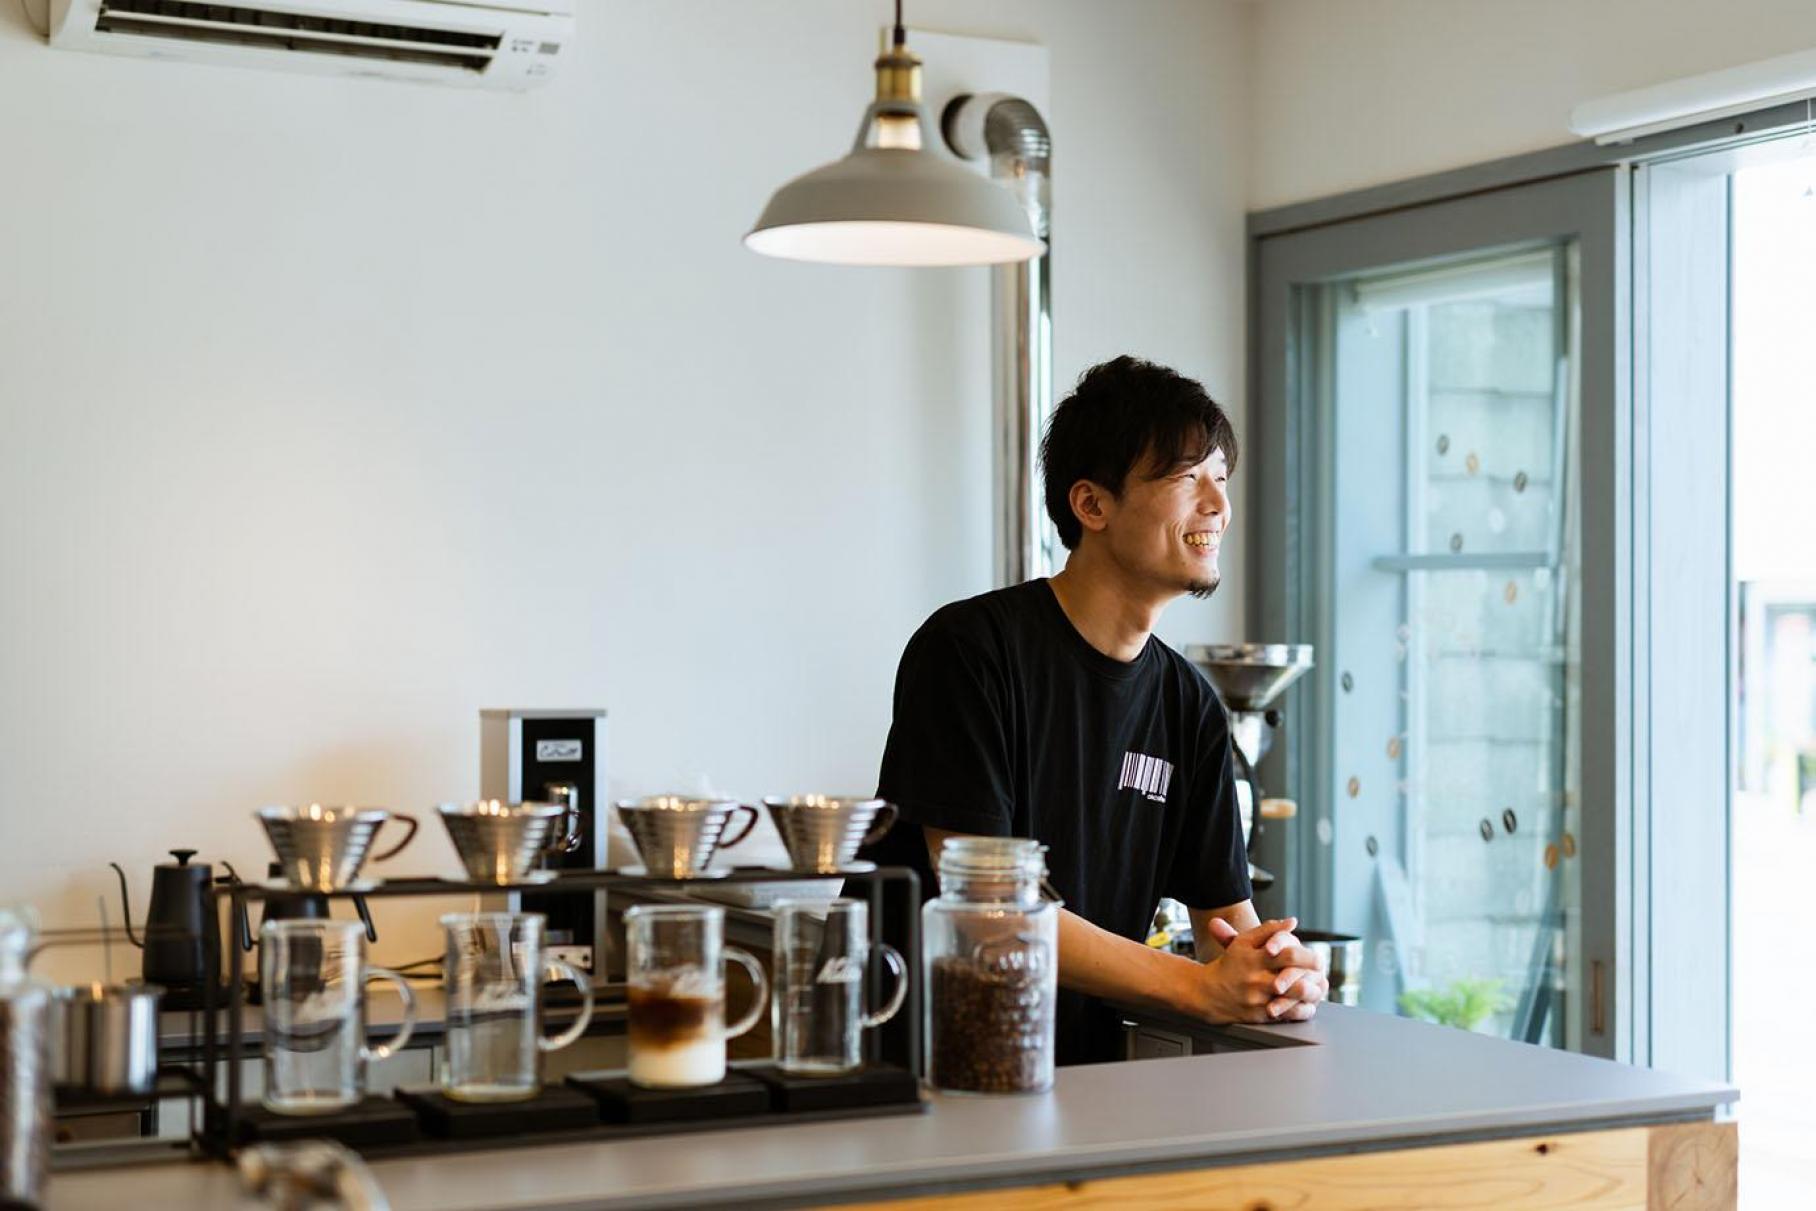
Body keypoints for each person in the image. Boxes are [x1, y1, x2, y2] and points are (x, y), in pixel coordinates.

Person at [864, 355, 1329, 1066]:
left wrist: (1278, 973)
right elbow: (989, 912)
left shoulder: (1189, 706)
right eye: (1187, 477)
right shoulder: (970, 651)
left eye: (1221, 478)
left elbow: (1226, 931)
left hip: (1080, 1081)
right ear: (1092, 505)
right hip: (920, 1075)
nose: (1218, 505)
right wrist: (1199, 988)